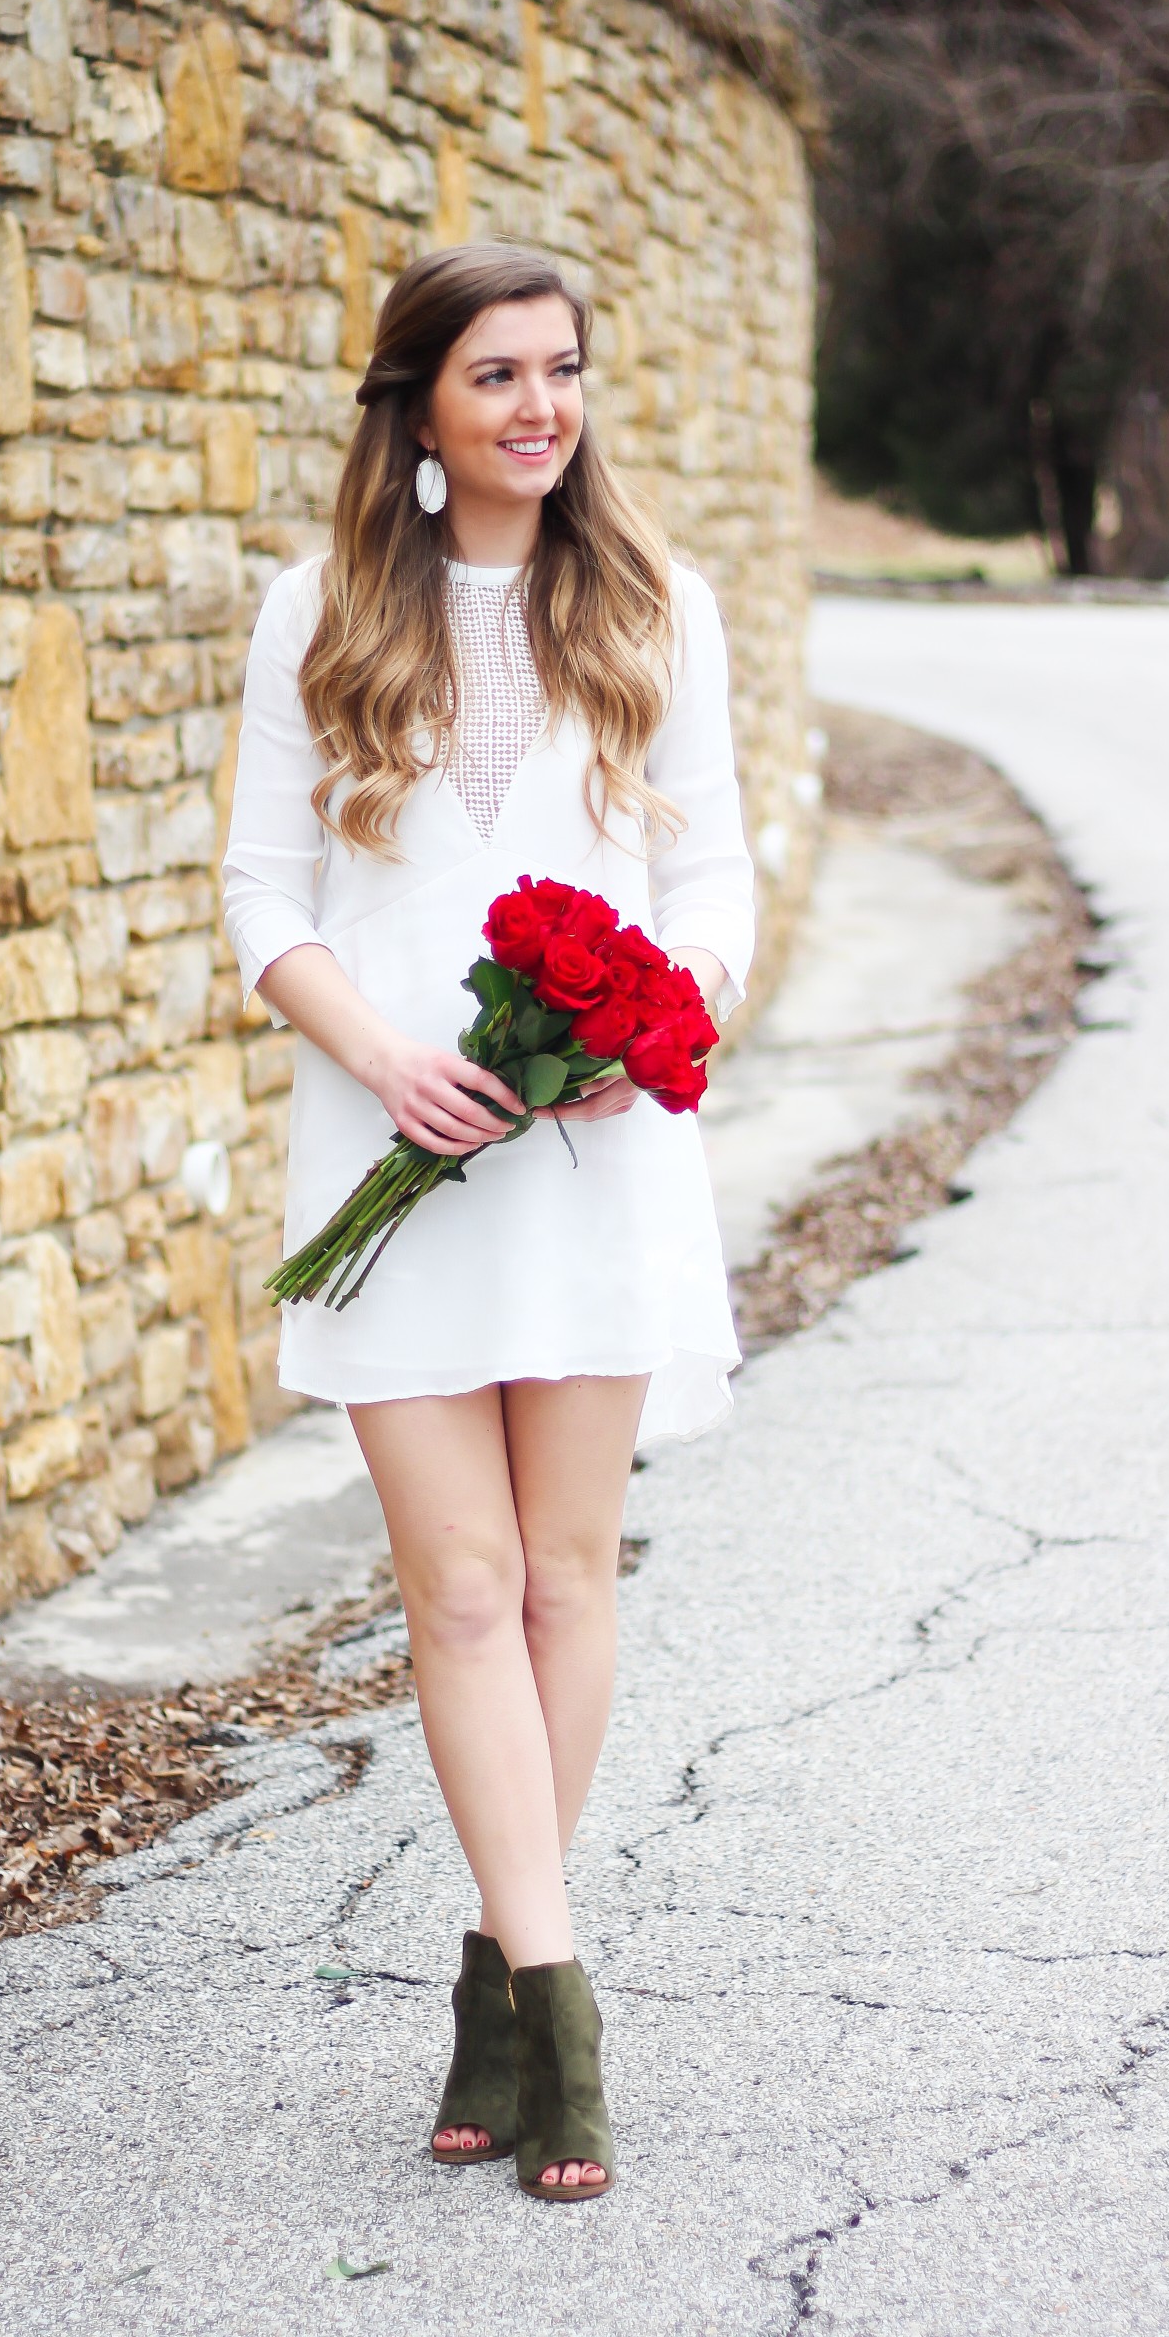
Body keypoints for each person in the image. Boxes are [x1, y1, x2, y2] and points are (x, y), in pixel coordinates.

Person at [222, 242, 755, 2203]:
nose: (541, 406)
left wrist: (660, 1020)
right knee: (452, 1591)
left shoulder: (653, 604)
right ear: (421, 409)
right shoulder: (321, 611)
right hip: (401, 1161)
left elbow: (713, 872)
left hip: (599, 1156)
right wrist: (378, 1059)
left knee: (560, 1578)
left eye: (563, 371)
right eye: (497, 376)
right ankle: (562, 1999)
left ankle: (496, 1984)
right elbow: (262, 898)